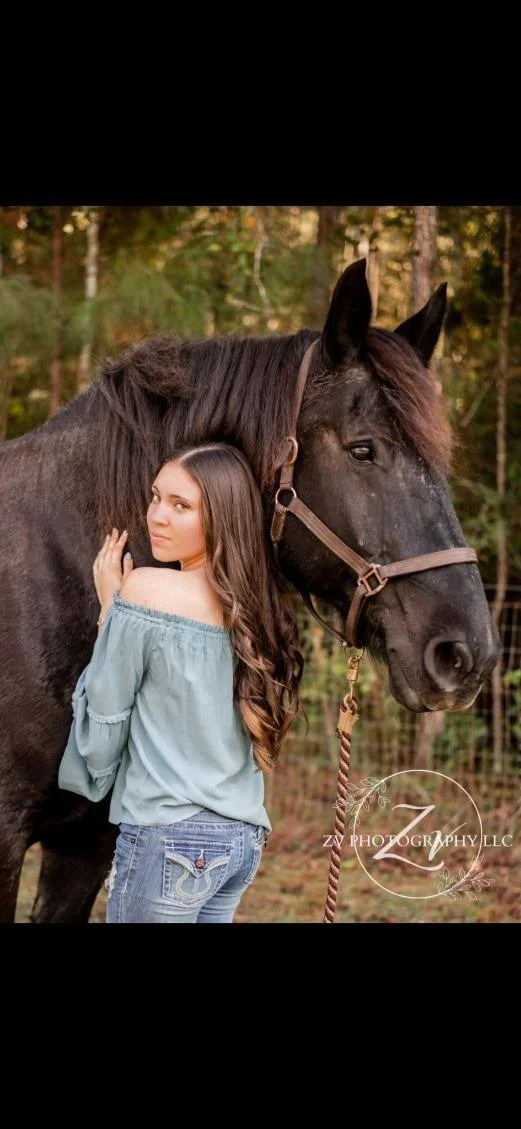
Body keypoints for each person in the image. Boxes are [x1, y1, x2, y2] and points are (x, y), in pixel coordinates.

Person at [58, 442, 304, 923]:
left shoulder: (146, 590)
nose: (156, 517)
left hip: (166, 838)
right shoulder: (260, 610)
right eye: (156, 497)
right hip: (240, 840)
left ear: (222, 516)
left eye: (181, 505)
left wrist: (113, 610)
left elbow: (103, 727)